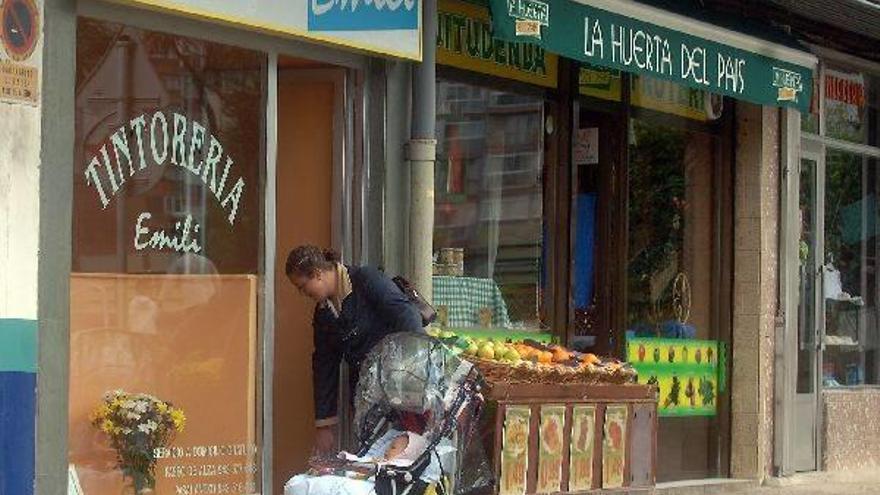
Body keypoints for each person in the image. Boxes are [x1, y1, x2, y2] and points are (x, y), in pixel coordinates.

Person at [286, 245, 424, 455]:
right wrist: (324, 425)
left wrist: (408, 373)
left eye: (303, 287)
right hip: (365, 395)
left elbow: (409, 317)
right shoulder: (323, 313)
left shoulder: (367, 280)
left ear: (317, 273)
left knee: (403, 454)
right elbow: (324, 366)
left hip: (399, 385)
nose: (303, 293)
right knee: (371, 455)